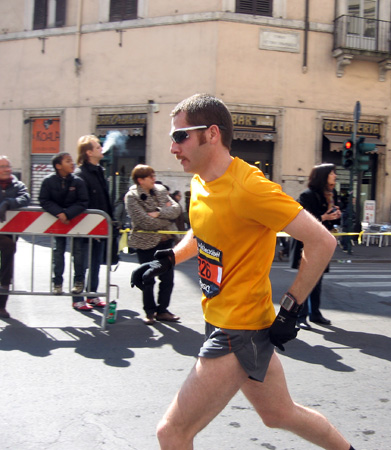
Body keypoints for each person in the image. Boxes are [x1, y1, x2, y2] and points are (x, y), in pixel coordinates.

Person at [130, 94, 355, 450]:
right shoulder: (201, 181)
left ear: (212, 134)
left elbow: (322, 242)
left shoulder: (250, 187)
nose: (173, 148)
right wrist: (170, 258)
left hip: (240, 329)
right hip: (220, 318)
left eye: (180, 136)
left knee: (172, 433)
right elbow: (203, 233)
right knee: (279, 414)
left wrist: (292, 308)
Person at [125, 164, 182, 325]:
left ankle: (163, 310)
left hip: (165, 241)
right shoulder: (132, 196)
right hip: (146, 243)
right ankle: (149, 312)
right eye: (150, 177)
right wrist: (166, 219)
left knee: (168, 278)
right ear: (140, 180)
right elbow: (143, 221)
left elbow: (176, 209)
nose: (154, 179)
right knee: (147, 278)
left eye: (154, 175)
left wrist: (159, 213)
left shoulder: (161, 190)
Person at [291, 163, 341, 330]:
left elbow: (332, 221)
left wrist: (336, 216)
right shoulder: (307, 195)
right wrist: (324, 217)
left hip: (321, 244)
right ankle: (300, 316)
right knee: (306, 280)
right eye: (332, 173)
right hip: (308, 244)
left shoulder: (330, 195)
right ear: (323, 176)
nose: (335, 175)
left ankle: (315, 313)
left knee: (318, 280)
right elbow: (304, 222)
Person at [39, 152, 90, 309]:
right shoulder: (48, 181)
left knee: (78, 253)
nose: (72, 163)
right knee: (58, 252)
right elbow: (44, 200)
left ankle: (79, 283)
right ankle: (57, 283)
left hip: (75, 222)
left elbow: (83, 201)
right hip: (58, 222)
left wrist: (68, 214)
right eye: (68, 161)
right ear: (58, 166)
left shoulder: (78, 181)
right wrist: (59, 213)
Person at [74, 135, 112, 308]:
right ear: (88, 152)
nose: (101, 149)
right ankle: (77, 299)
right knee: (81, 265)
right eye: (97, 147)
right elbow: (83, 203)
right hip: (85, 228)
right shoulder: (80, 174)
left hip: (100, 226)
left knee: (96, 262)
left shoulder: (99, 171)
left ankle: (92, 294)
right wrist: (92, 227)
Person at [0, 156, 31, 319]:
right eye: (3, 166)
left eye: (8, 166)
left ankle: (1, 306)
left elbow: (25, 198)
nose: (7, 169)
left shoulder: (18, 185)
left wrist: (8, 203)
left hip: (9, 238)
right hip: (5, 240)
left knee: (6, 271)